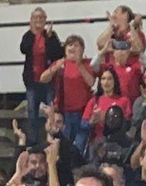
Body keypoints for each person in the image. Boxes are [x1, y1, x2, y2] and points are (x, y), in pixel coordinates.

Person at [41, 35, 99, 155]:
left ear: (82, 50)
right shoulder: (61, 63)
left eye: (76, 45)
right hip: (64, 112)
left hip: (82, 112)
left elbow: (91, 82)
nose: (72, 47)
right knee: (64, 145)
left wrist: (79, 65)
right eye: (70, 45)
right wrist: (54, 69)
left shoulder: (87, 63)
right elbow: (43, 79)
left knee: (79, 145)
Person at [20, 8, 65, 146]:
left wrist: (50, 38)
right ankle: (32, 141)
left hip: (48, 79)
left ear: (45, 20)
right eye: (36, 18)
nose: (38, 21)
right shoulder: (28, 35)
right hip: (32, 79)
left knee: (51, 110)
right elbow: (23, 49)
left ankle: (51, 137)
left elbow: (58, 53)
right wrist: (34, 34)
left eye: (41, 18)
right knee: (32, 111)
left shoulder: (50, 35)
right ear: (31, 20)